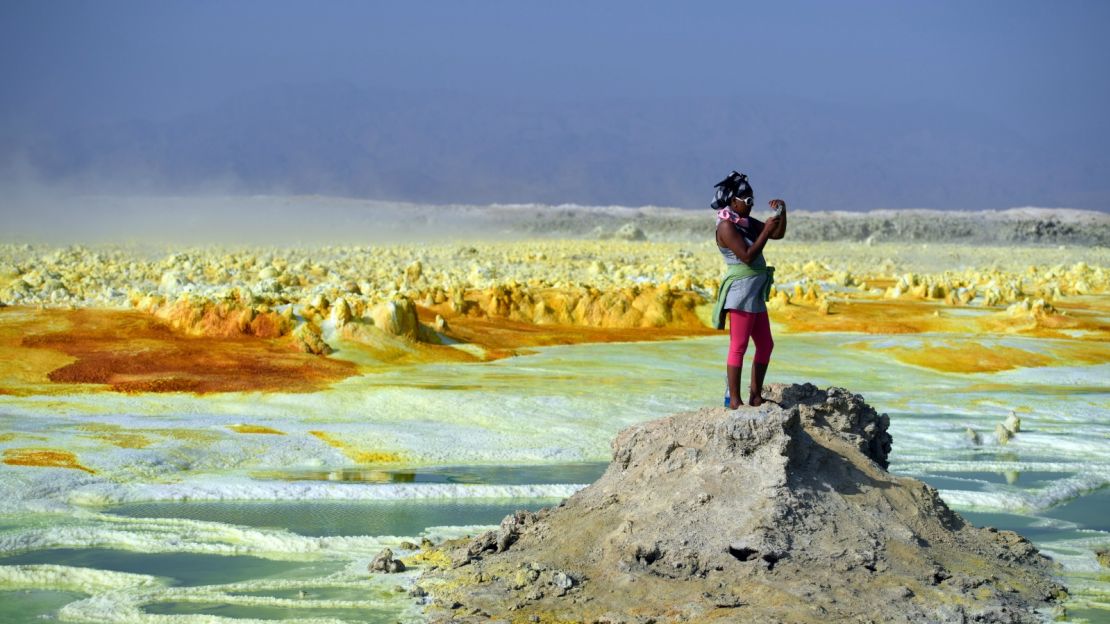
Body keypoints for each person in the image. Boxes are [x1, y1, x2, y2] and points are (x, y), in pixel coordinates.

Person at [710, 171, 786, 409]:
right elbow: (746, 256)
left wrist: (782, 213)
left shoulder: (744, 223)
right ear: (734, 202)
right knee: (739, 346)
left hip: (754, 295)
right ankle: (734, 400)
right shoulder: (726, 227)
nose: (751, 205)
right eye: (747, 201)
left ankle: (755, 395)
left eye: (753, 200)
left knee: (765, 344)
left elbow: (777, 233)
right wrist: (764, 231)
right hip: (741, 293)